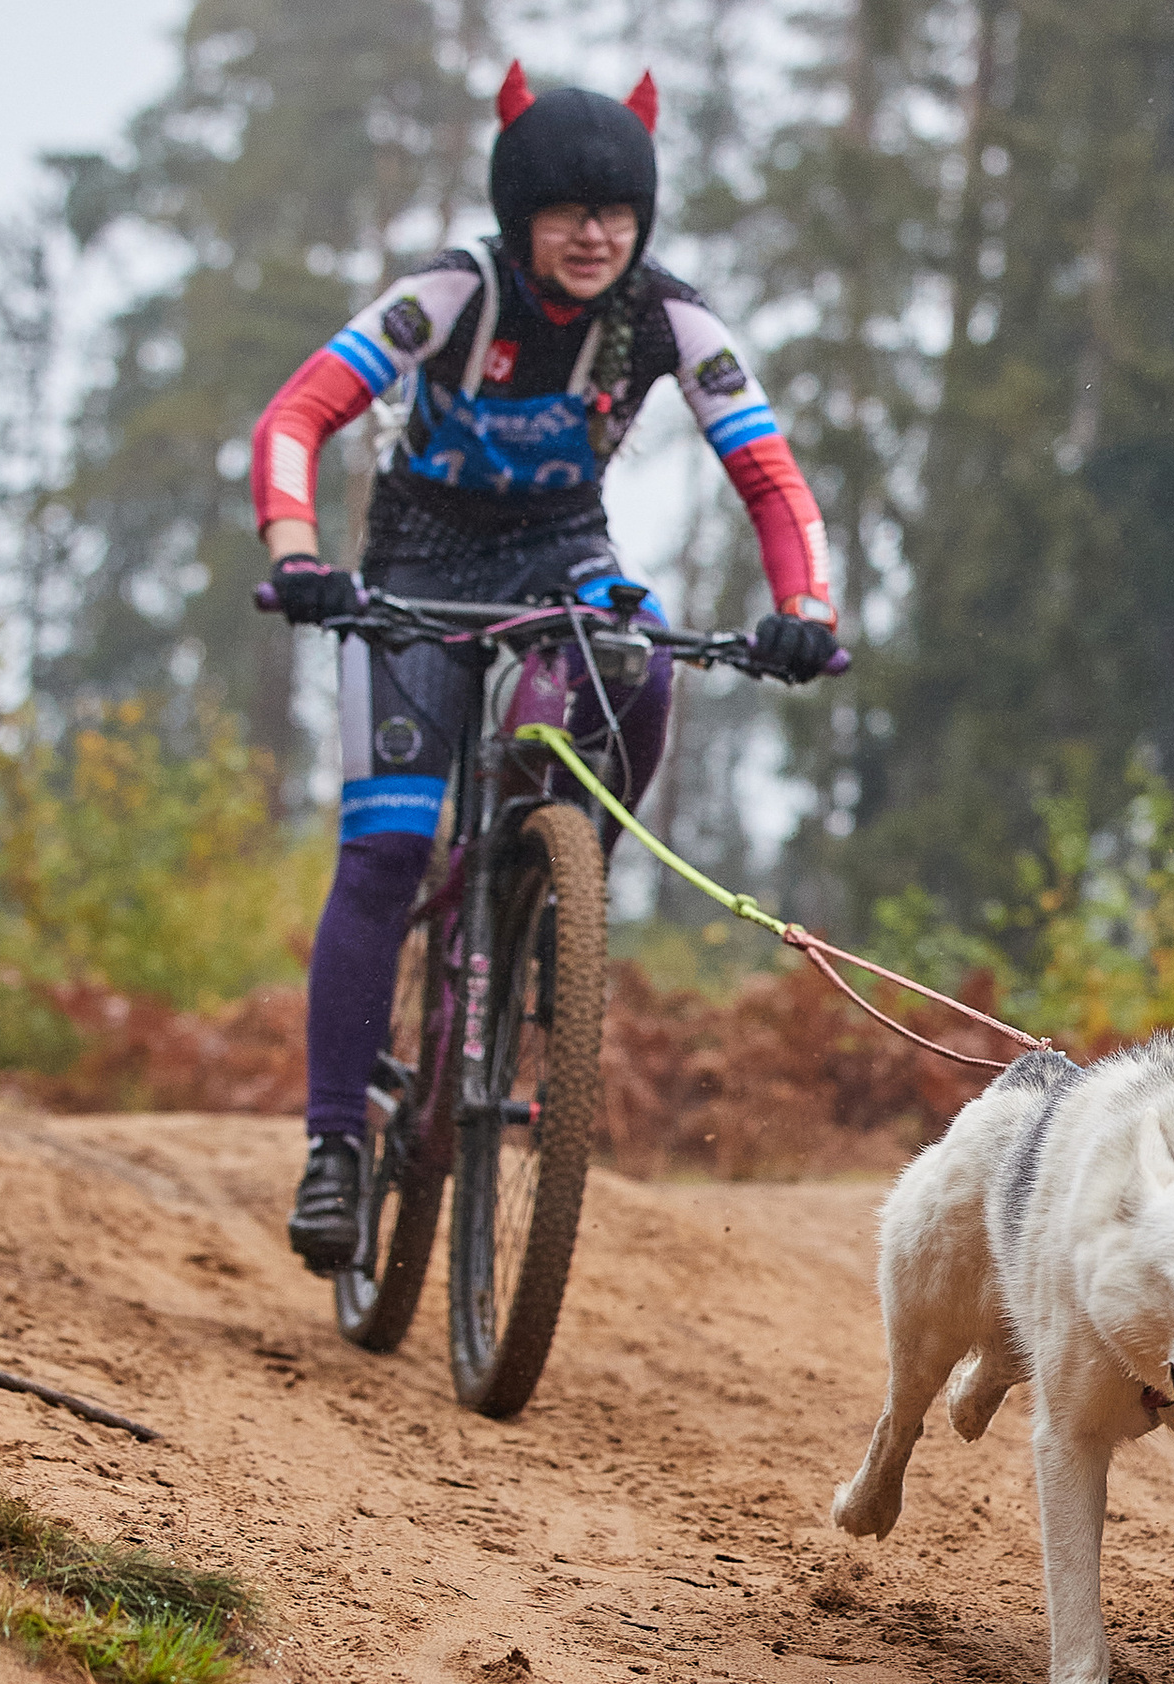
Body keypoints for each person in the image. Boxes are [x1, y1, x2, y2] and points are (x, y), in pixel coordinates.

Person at [253, 63, 839, 1271]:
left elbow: (770, 476)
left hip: (563, 555)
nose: (594, 235)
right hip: (415, 565)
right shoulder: (449, 296)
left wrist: (805, 607)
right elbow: (296, 417)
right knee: (384, 850)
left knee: (645, 655)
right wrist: (300, 554)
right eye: (568, 212)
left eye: (618, 214)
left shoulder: (669, 320)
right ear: (520, 217)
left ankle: (549, 885)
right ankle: (332, 1145)